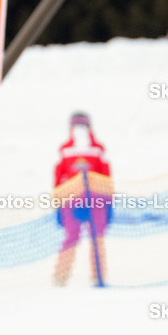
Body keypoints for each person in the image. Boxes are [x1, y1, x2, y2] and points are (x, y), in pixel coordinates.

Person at [52, 112, 113, 286]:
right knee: (72, 238)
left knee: (97, 238)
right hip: (72, 201)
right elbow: (58, 177)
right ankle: (60, 278)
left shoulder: (98, 150)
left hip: (96, 201)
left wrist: (108, 202)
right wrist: (59, 202)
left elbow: (106, 176)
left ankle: (98, 276)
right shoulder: (65, 150)